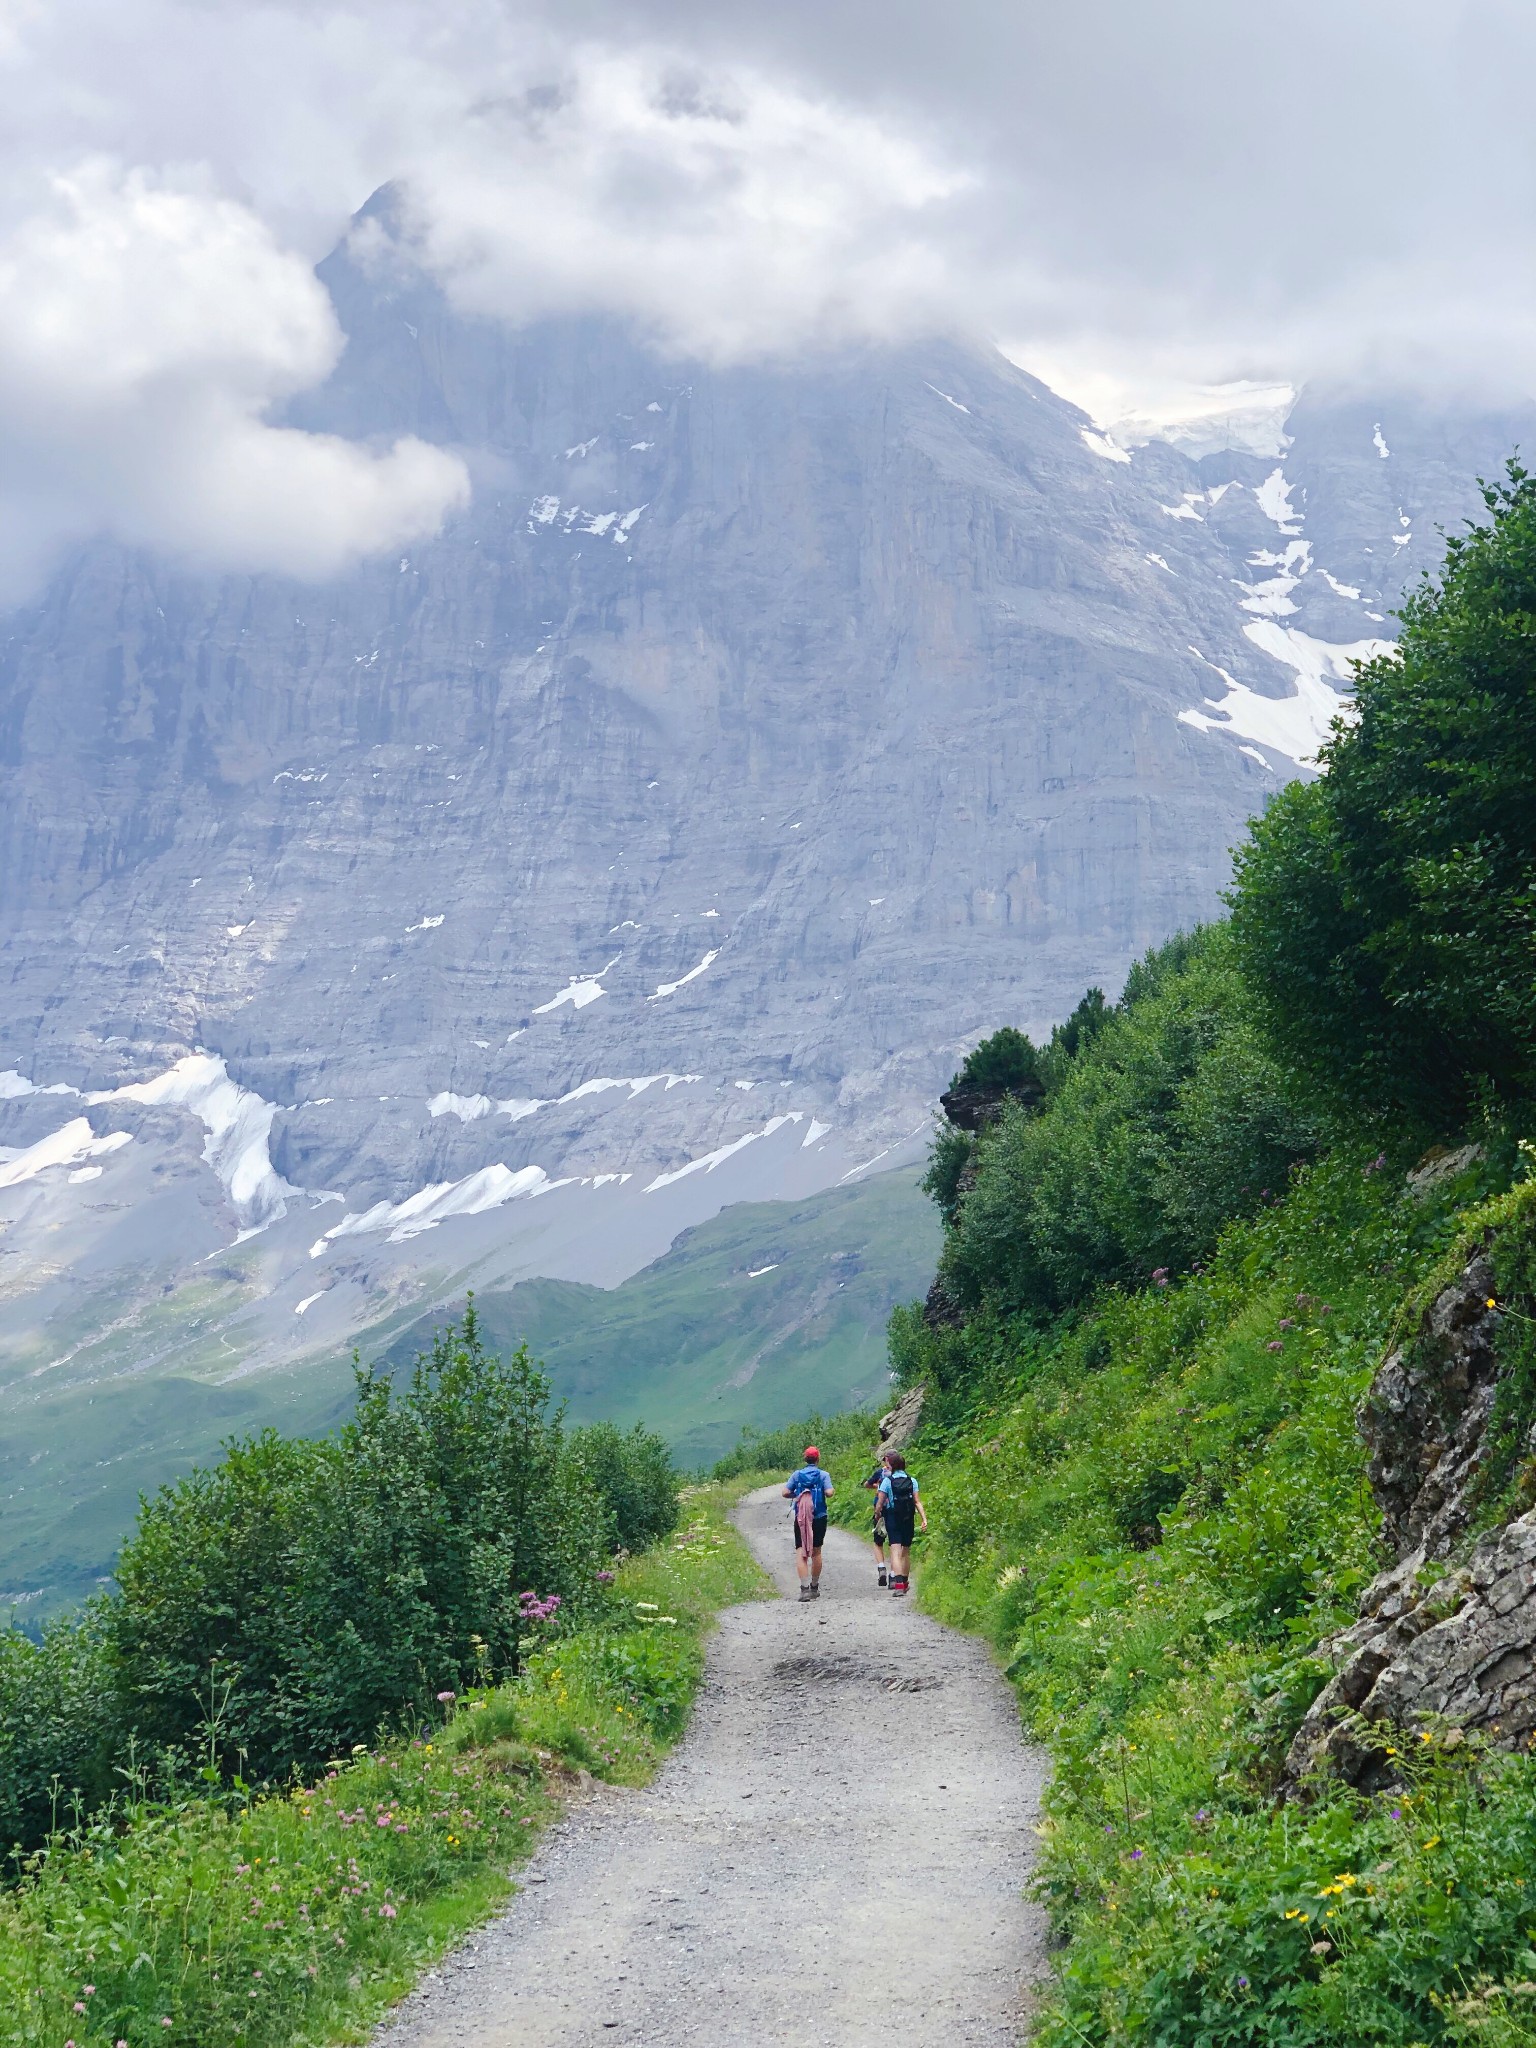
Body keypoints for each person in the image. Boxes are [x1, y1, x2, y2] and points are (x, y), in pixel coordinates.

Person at [782, 1445, 833, 1601]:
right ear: (818, 1459)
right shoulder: (823, 1475)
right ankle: (814, 1586)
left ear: (805, 1459)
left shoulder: (797, 1475)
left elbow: (784, 1492)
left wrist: (797, 1494)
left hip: (801, 1518)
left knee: (801, 1551)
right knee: (816, 1551)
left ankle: (804, 1589)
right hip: (819, 1516)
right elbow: (829, 1493)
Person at [876, 1452, 927, 1596]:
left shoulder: (887, 1481)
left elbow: (880, 1503)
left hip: (893, 1517)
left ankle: (898, 1585)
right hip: (908, 1517)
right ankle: (905, 1583)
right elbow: (917, 1501)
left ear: (892, 1465)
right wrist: (924, 1519)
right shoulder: (912, 1481)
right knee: (906, 1551)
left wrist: (877, 1514)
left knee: (895, 1551)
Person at [861, 1452, 893, 1586]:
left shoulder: (880, 1473)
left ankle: (881, 1567)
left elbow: (867, 1484)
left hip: (880, 1508)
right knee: (894, 1543)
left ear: (885, 1460)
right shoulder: (900, 1474)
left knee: (878, 1541)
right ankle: (893, 1575)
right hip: (895, 1509)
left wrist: (877, 1486)